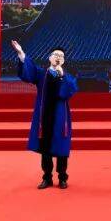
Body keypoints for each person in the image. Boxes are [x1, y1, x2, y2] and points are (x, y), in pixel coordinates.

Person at [11, 39, 77, 189]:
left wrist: (62, 75)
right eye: (55, 55)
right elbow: (29, 73)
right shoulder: (42, 74)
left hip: (60, 116)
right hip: (44, 115)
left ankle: (62, 178)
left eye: (61, 56)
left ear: (63, 60)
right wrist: (21, 53)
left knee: (61, 147)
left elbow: (69, 91)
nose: (58, 57)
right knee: (45, 147)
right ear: (49, 57)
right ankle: (47, 178)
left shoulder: (67, 76)